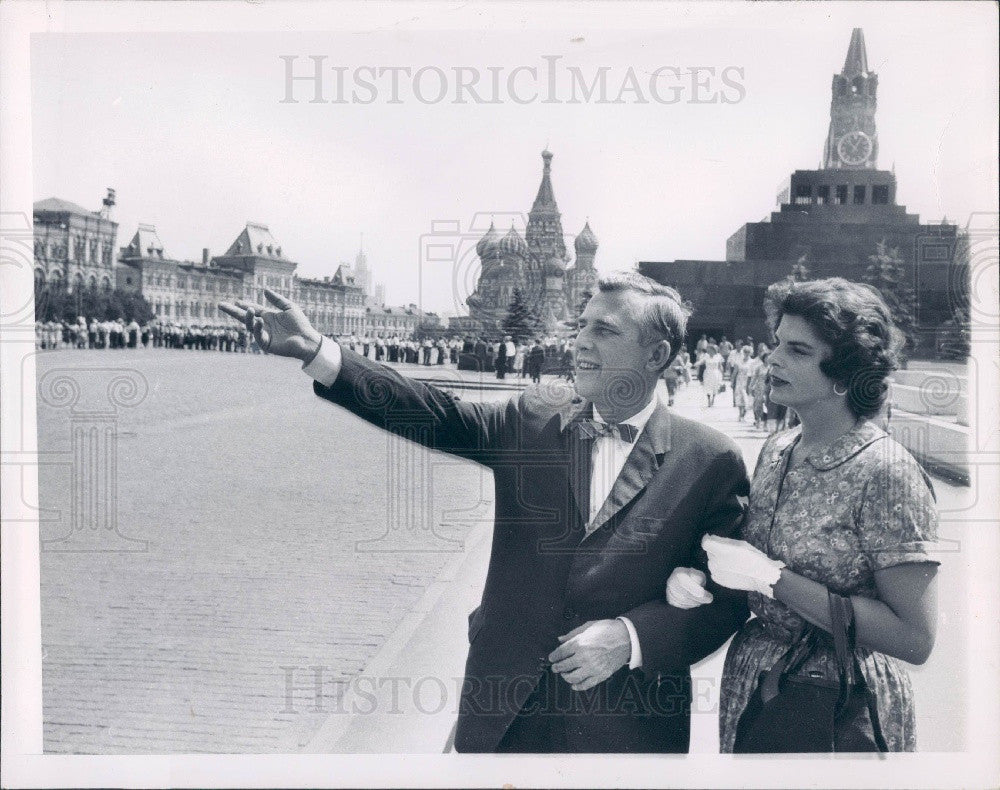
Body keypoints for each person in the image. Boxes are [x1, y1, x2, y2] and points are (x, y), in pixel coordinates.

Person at [220, 271, 749, 753]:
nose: (581, 341)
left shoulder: (710, 460)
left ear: (657, 354)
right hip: (503, 712)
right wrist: (318, 351)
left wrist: (630, 637)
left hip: (625, 729)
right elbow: (434, 412)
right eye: (581, 325)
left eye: (605, 331)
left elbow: (726, 603)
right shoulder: (533, 418)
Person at [666, 277, 939, 753]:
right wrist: (702, 573)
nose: (772, 359)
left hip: (837, 706)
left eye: (797, 350)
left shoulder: (886, 472)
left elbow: (914, 638)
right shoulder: (778, 447)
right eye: (777, 344)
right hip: (756, 686)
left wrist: (773, 579)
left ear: (845, 373)